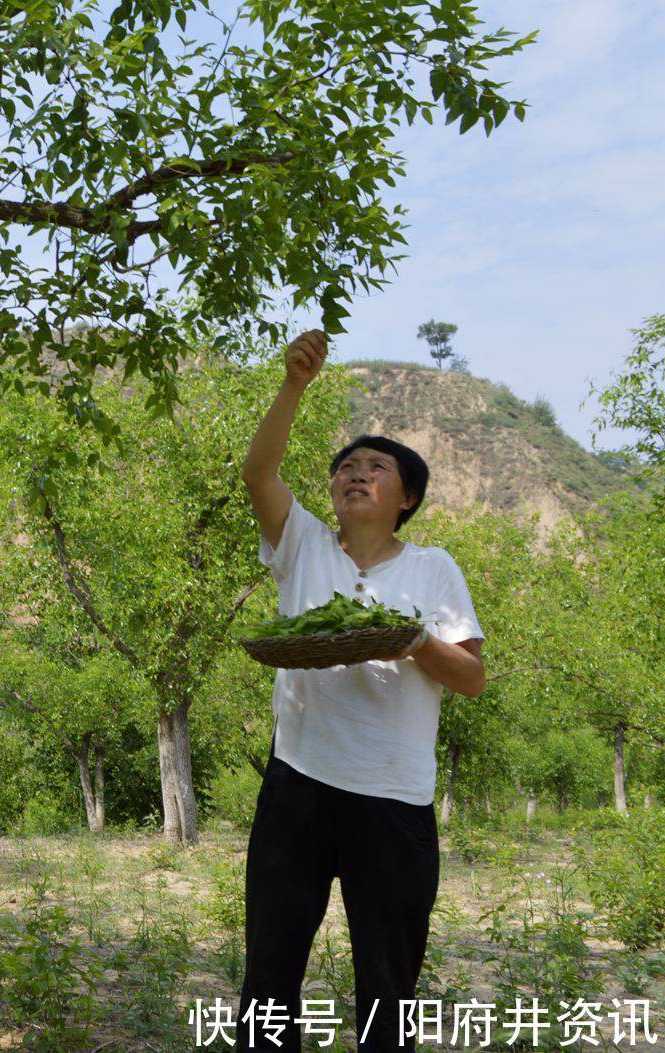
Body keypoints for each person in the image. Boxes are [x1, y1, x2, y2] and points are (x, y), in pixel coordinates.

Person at [237, 331, 487, 1051]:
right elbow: (258, 473)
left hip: (393, 799)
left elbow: (470, 676)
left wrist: (414, 642)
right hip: (298, 786)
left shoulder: (433, 568)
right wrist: (292, 385)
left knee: (387, 986)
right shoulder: (304, 545)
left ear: (406, 496)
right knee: (269, 975)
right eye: (347, 465)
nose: (357, 472)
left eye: (377, 467)